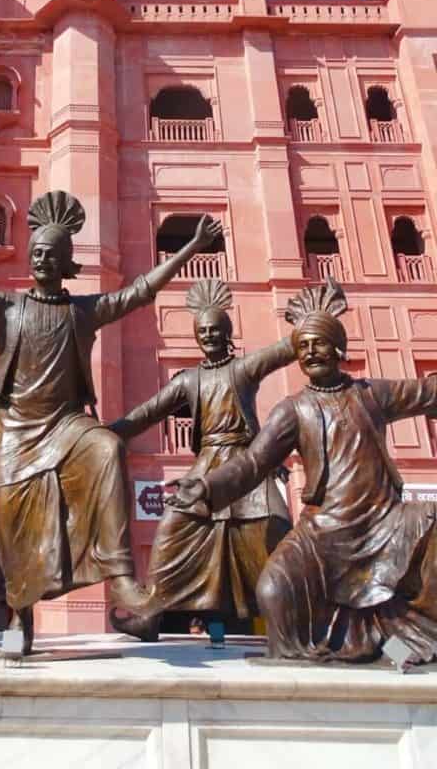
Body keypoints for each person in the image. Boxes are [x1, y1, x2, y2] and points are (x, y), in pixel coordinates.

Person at [0, 178, 222, 653]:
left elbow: (140, 292)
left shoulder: (83, 312)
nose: (43, 258)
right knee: (15, 530)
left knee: (106, 445)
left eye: (53, 253)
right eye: (38, 252)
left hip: (67, 424)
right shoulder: (7, 309)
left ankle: (122, 579)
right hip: (17, 430)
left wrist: (190, 247)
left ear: (67, 262)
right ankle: (20, 612)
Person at [169, 279, 437, 664]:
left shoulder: (372, 393)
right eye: (303, 346)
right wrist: (206, 488)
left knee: (431, 523)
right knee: (273, 590)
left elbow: (427, 393)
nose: (310, 352)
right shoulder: (293, 409)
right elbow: (252, 463)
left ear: (338, 348)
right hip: (323, 529)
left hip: (384, 521)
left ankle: (404, 643)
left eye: (319, 343)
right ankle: (309, 663)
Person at [109, 278, 293, 640]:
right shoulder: (188, 380)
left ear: (227, 333)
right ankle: (150, 615)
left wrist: (311, 324)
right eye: (203, 330)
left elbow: (284, 350)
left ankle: (297, 619)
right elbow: (146, 414)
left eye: (215, 329)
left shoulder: (244, 368)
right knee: (171, 529)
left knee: (274, 533)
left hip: (246, 465)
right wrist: (103, 433)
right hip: (207, 464)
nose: (208, 335)